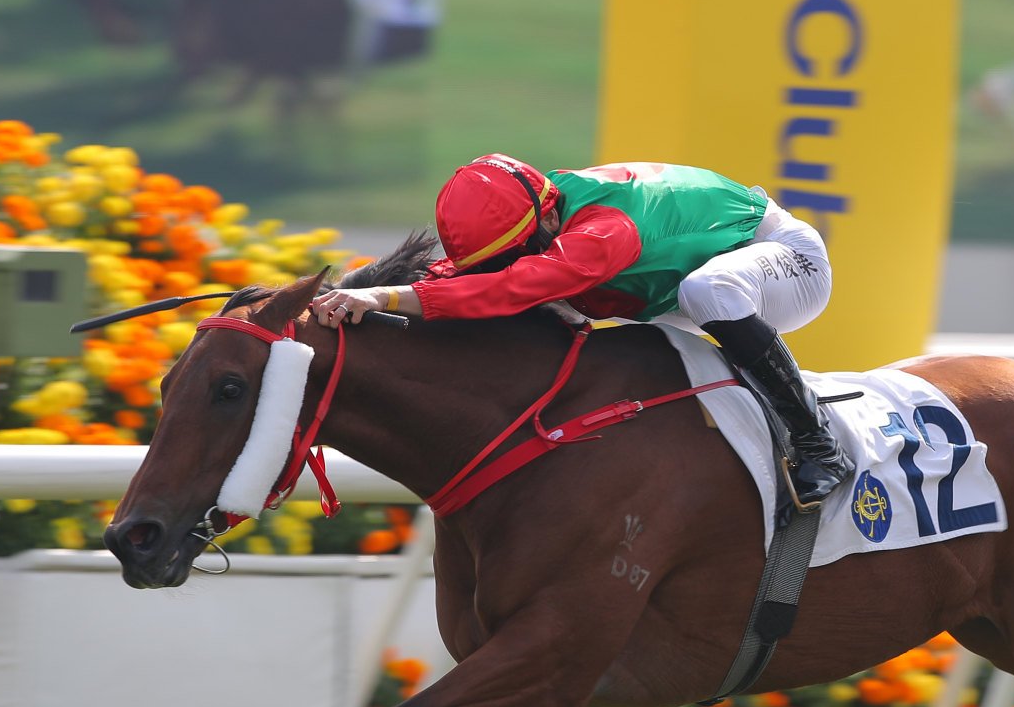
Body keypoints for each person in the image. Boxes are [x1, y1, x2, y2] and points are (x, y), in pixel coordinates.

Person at [311, 155, 854, 507]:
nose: (516, 260)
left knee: (700, 292)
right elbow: (462, 280)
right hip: (674, 286)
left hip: (788, 264)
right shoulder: (538, 214)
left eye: (520, 250)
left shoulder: (603, 232)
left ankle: (817, 441)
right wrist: (335, 298)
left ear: (547, 218)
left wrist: (383, 297)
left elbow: (516, 284)